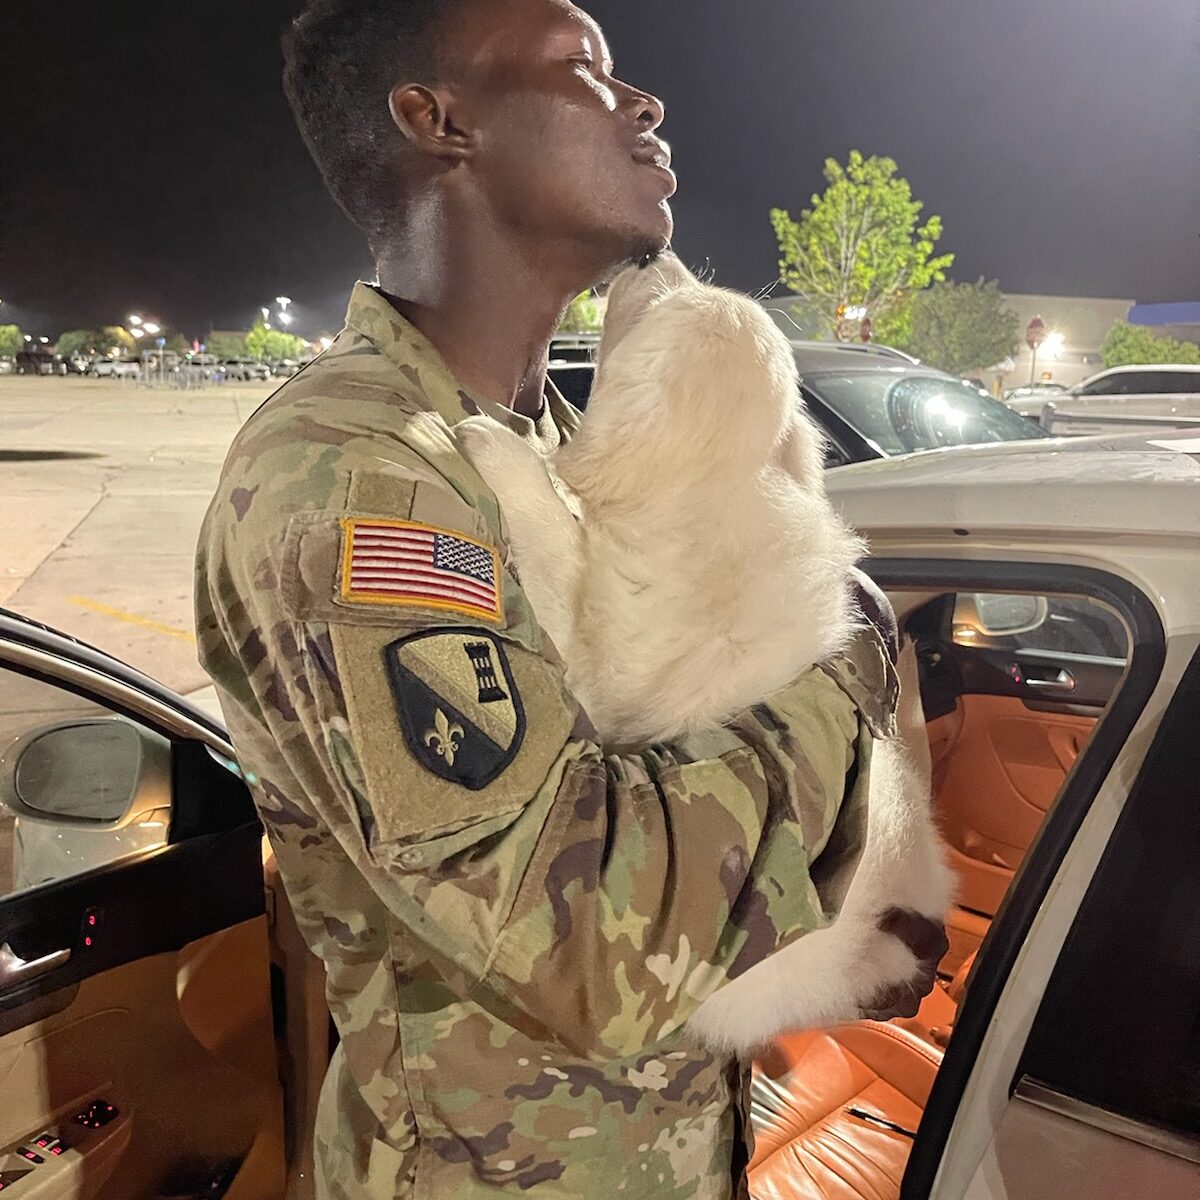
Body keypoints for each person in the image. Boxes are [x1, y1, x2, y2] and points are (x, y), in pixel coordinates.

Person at [194, 2, 946, 1196]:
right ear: (437, 120)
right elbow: (586, 938)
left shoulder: (552, 444)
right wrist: (844, 666)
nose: (643, 103)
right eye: (584, 71)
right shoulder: (361, 479)